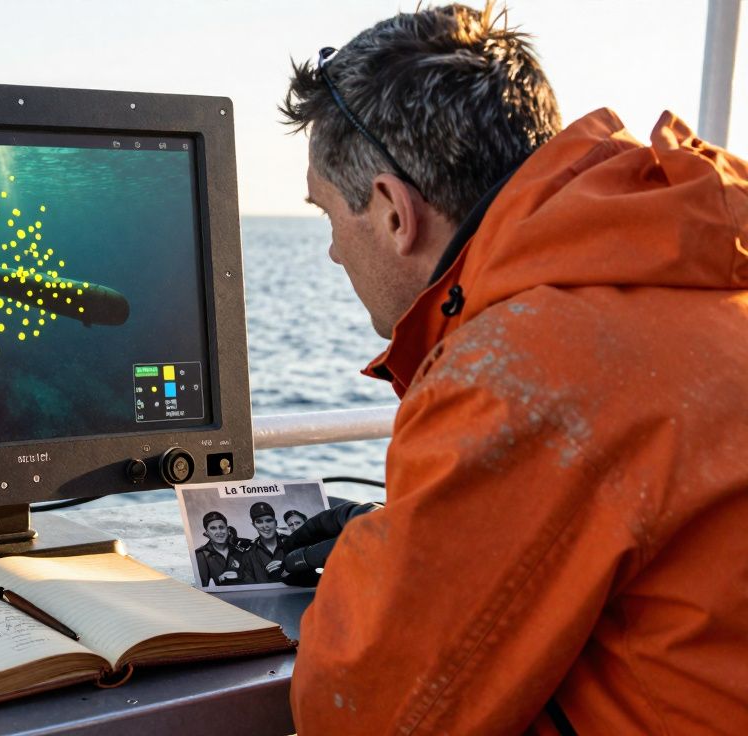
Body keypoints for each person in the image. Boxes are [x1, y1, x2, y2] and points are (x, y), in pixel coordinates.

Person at [278, 3, 748, 734]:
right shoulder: (696, 273)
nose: (335, 252)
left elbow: (363, 711)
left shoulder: (522, 368)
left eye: (327, 216)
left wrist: (366, 572)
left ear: (394, 213)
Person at [239, 501, 288, 583]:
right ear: (254, 525)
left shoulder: (292, 543)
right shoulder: (248, 555)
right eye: (259, 522)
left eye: (269, 520)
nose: (265, 526)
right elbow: (249, 589)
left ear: (275, 522)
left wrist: (287, 568)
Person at [193, 511, 245, 586]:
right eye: (213, 528)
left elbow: (254, 579)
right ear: (207, 533)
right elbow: (202, 588)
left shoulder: (241, 552)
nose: (219, 532)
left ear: (228, 530)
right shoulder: (200, 555)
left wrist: (239, 576)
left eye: (221, 527)